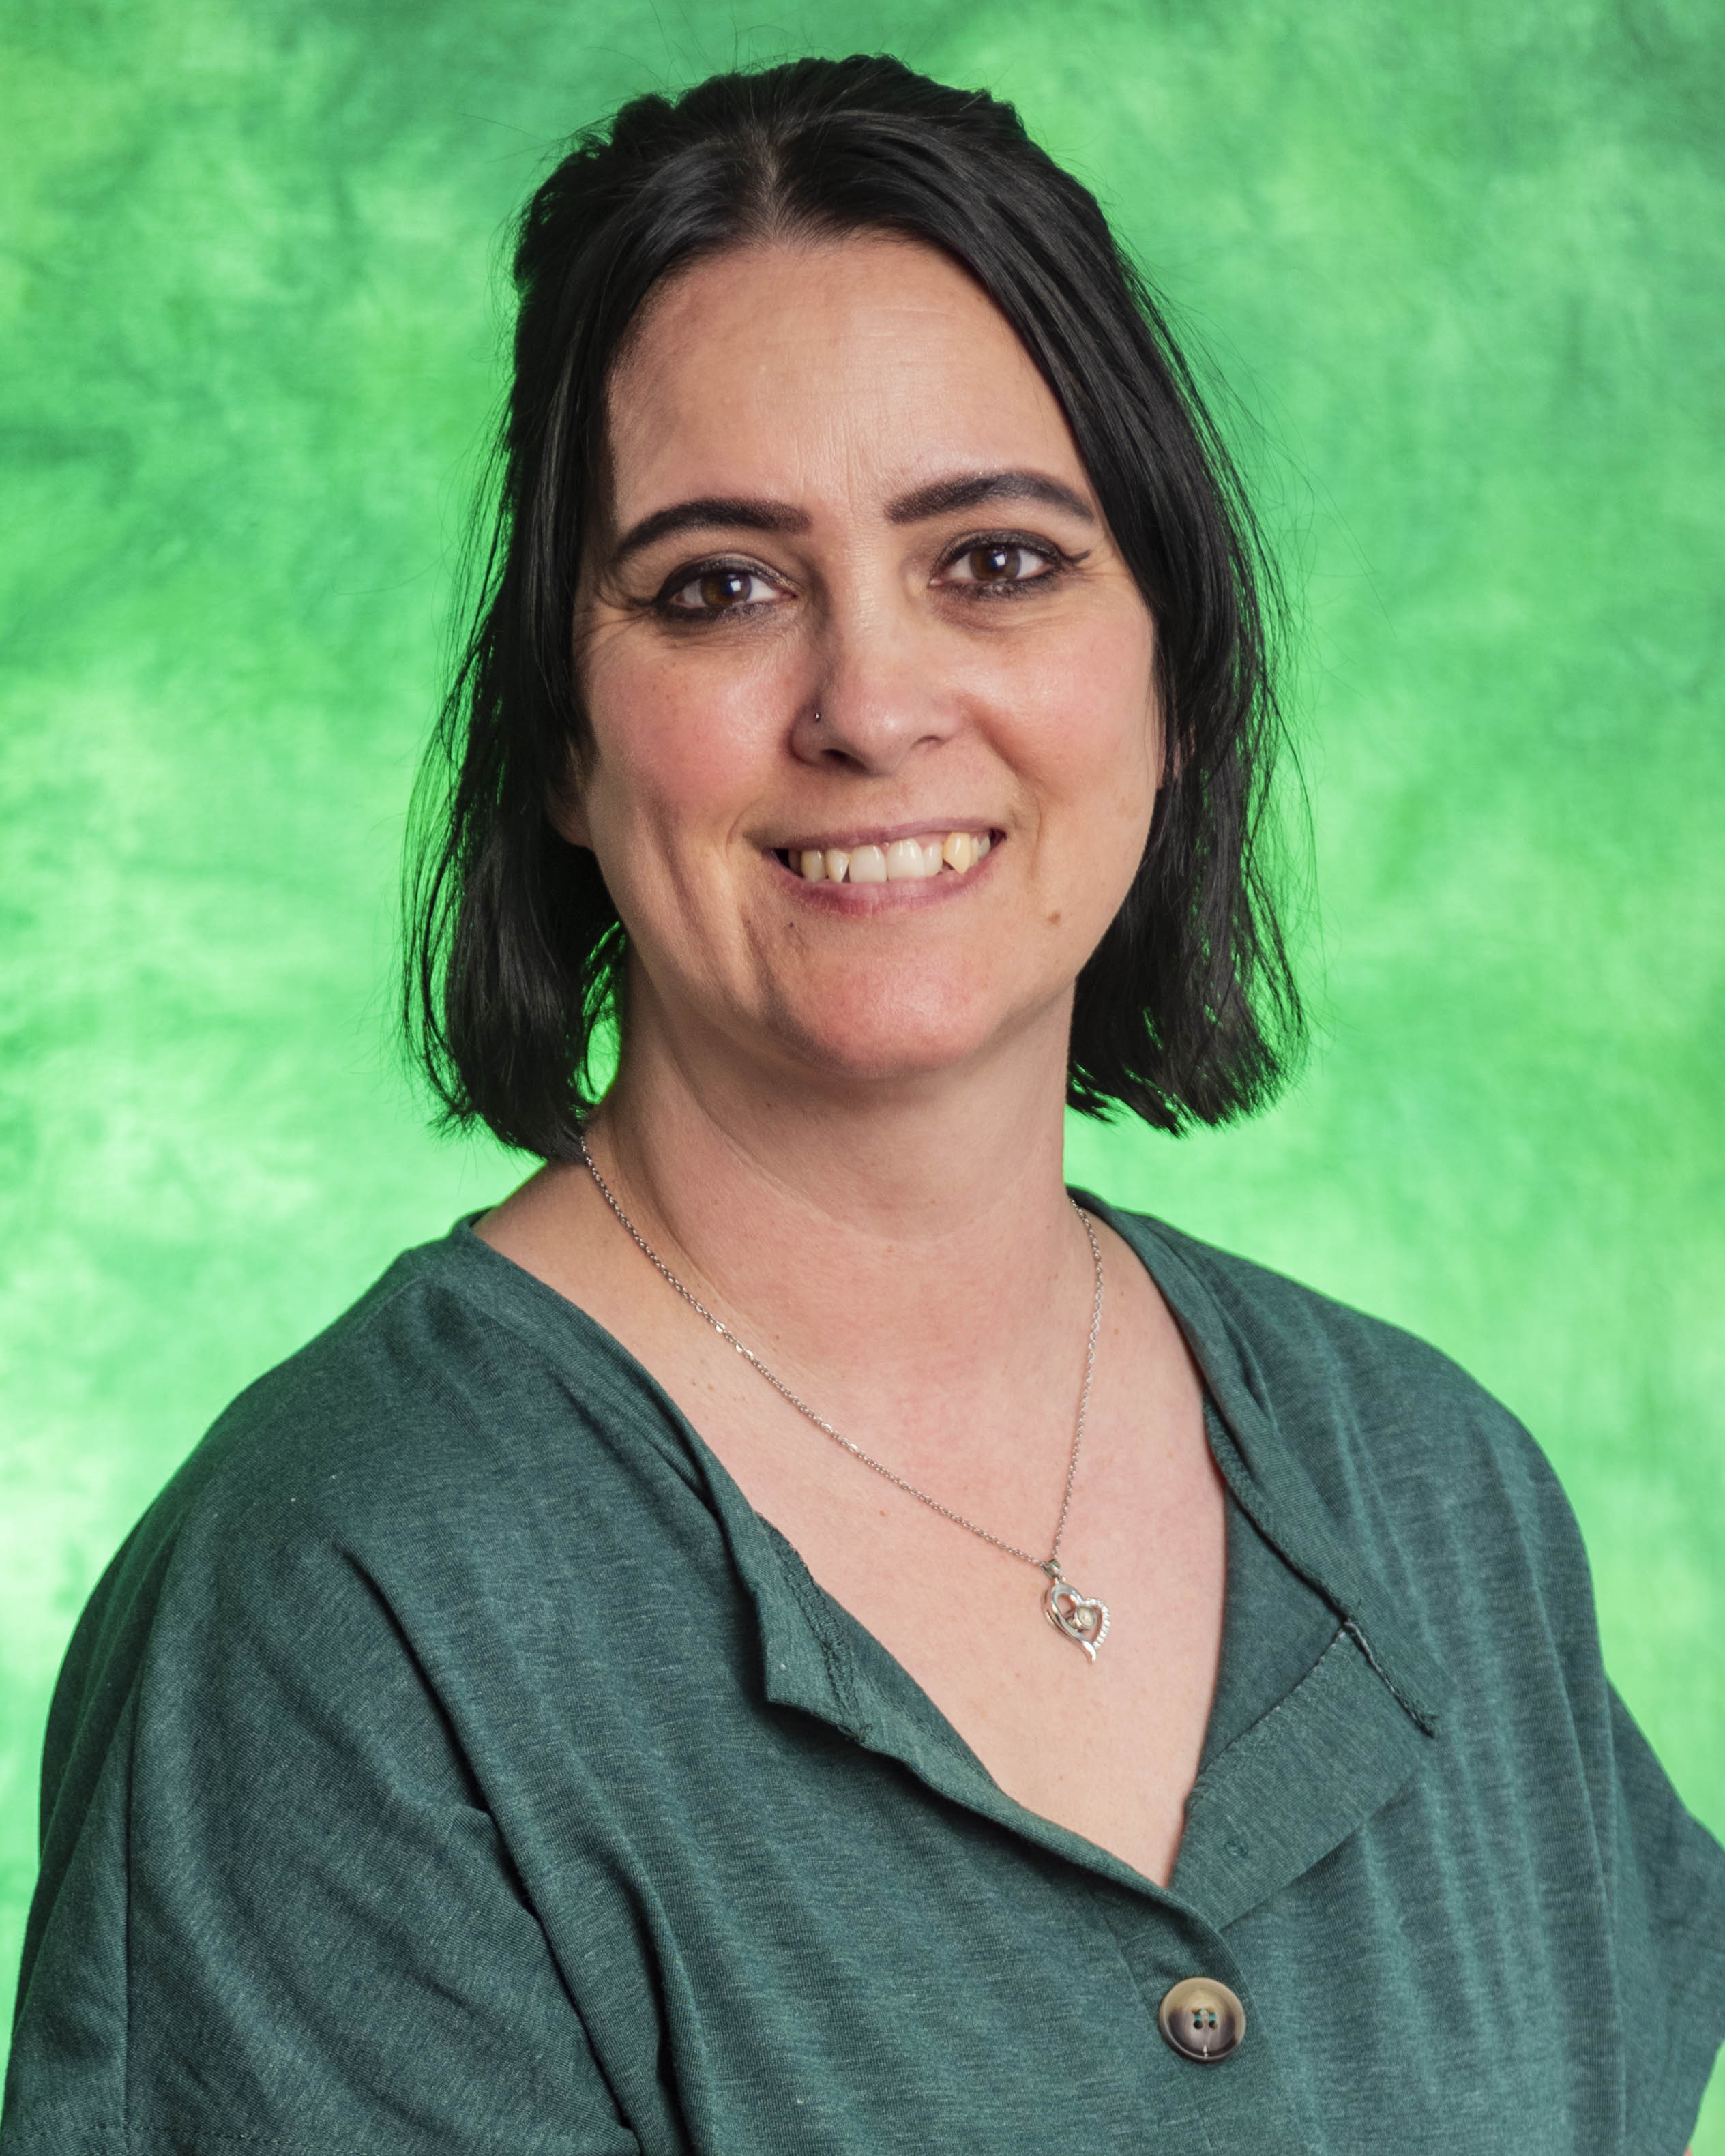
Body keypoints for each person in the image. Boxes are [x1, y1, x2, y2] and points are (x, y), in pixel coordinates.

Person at [3, 53, 1720, 2156]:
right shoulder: (341, 1611)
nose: (872, 704)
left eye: (994, 560)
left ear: (1167, 670)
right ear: (557, 731)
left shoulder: (1437, 1502)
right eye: (719, 584)